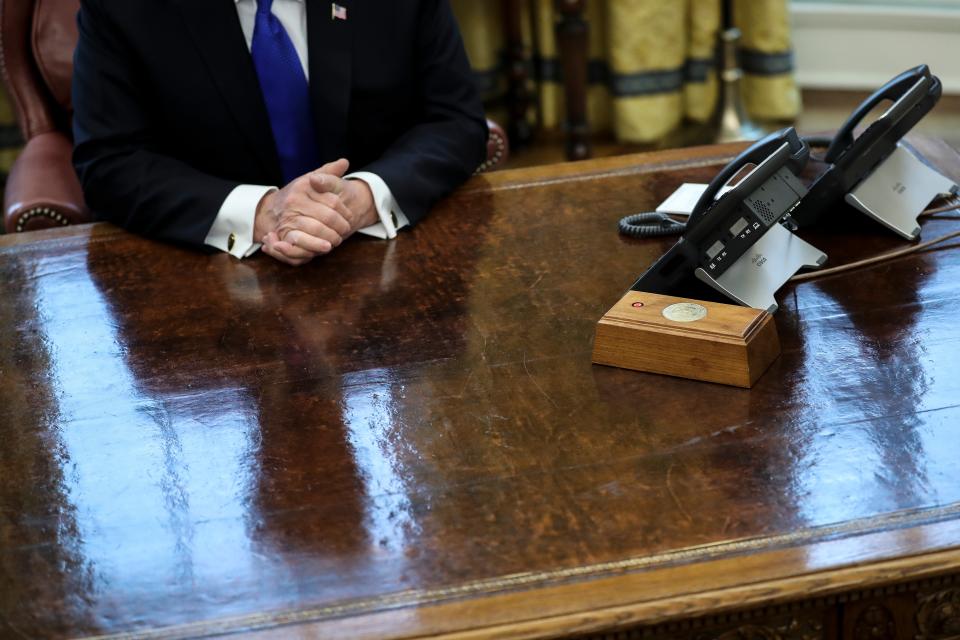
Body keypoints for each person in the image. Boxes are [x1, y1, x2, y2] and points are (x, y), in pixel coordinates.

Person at [72, 0, 487, 266]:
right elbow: (110, 162)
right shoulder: (121, 9)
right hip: (205, 275)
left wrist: (361, 199)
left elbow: (455, 119)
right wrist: (263, 212)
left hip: (381, 257)